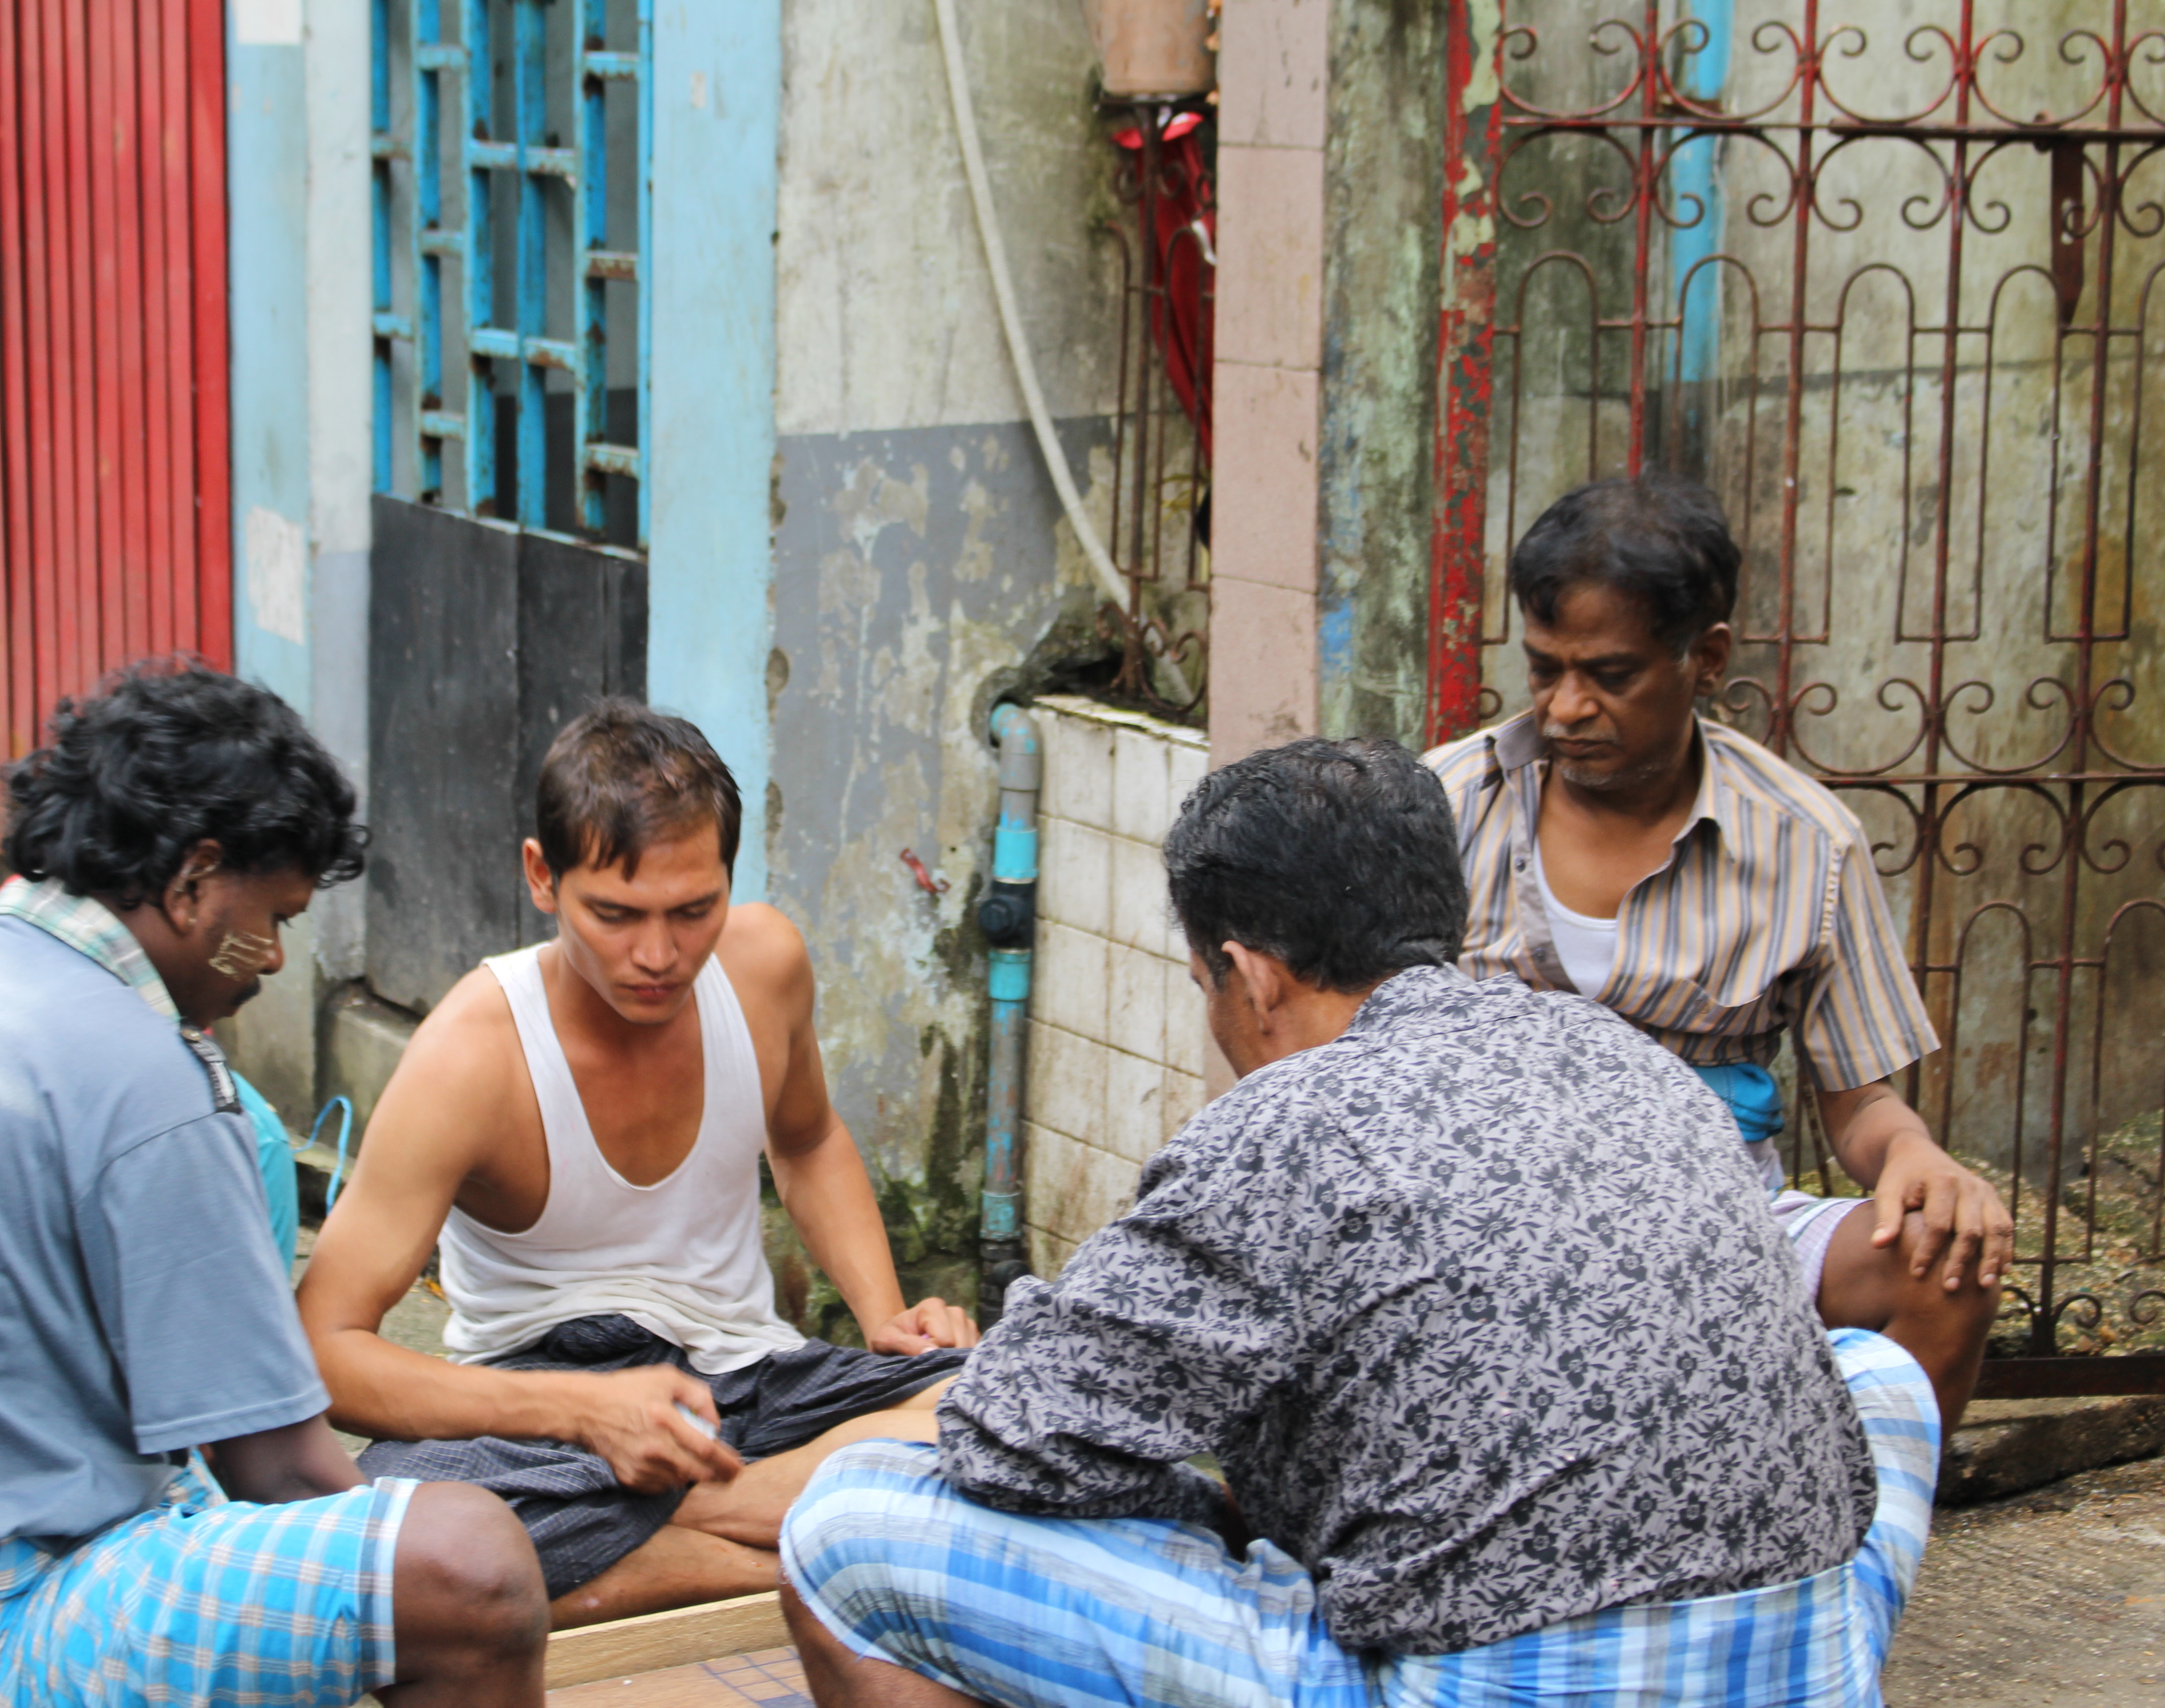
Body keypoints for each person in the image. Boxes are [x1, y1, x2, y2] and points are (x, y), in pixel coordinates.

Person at [778, 737, 1944, 1708]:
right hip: (1804, 1666)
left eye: (1206, 991)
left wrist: (1202, 1507)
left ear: (1251, 973)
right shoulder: (1620, 1054)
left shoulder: (1283, 1126)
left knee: (846, 1527)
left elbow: (1009, 1441)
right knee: (1877, 1375)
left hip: (1491, 1680)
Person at [0, 663, 549, 1708]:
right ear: (195, 881)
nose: (273, 963)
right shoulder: (149, 1069)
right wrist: (395, 1606)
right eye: (277, 917)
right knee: (465, 1564)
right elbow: (282, 1472)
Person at [296, 702, 977, 1629]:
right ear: (543, 876)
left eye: (694, 912)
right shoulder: (473, 1052)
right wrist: (584, 1412)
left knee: (995, 1410)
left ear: (729, 882)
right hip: (538, 1415)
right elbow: (326, 1350)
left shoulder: (765, 962)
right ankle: (819, 1552)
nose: (657, 957)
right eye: (614, 915)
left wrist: (887, 1318)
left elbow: (809, 1140)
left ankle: (698, 1519)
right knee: (399, 1540)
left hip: (749, 1385)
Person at [1426, 472, 2010, 1425]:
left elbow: (1861, 1100)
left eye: (1610, 676)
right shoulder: (1442, 805)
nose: (1568, 708)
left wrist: (1918, 1159)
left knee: (1945, 1265)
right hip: (1483, 1224)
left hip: (1721, 1228)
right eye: (1544, 670)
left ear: (1706, 658)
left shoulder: (1805, 844)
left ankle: (1850, 1548)